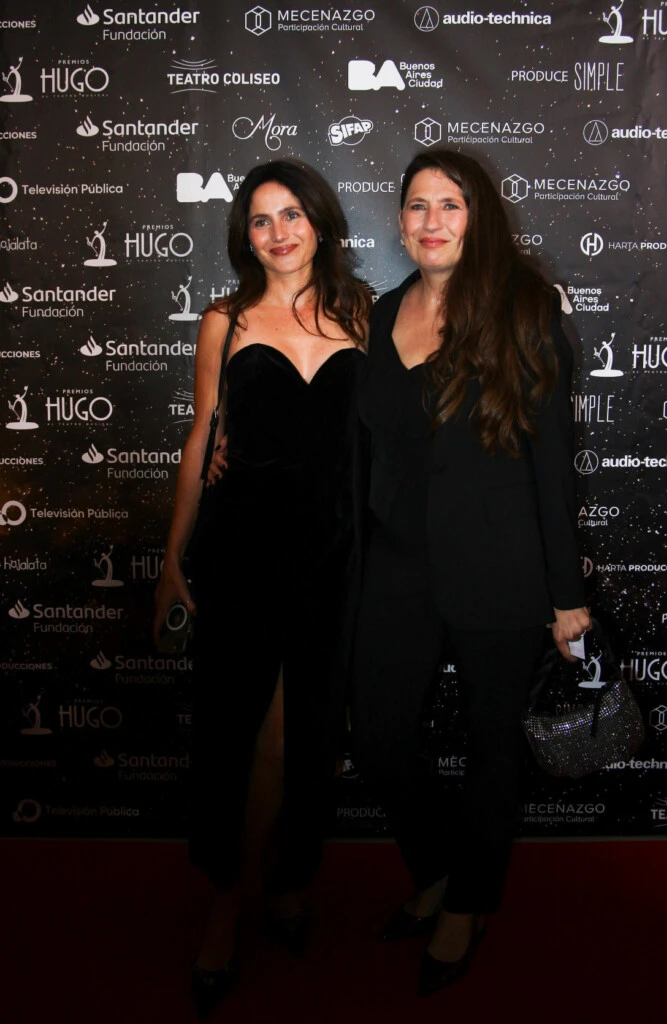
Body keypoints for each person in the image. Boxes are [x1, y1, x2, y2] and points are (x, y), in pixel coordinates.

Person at [350, 149, 590, 997]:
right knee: (377, 739)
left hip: (499, 565)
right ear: (399, 221)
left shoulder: (522, 306)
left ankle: (467, 901)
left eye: (448, 204)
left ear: (476, 214)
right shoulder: (382, 313)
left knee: (493, 745)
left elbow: (551, 461)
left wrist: (565, 597)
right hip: (396, 564)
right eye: (417, 205)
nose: (431, 221)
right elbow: (364, 443)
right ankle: (438, 868)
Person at [154, 159, 370, 1016]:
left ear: (319, 221)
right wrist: (172, 558)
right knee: (239, 732)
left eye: (291, 215)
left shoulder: (362, 313)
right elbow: (200, 437)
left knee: (305, 737)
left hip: (333, 556)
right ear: (243, 235)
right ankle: (226, 901)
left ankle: (284, 882)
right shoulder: (226, 320)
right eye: (259, 219)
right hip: (242, 551)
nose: (277, 233)